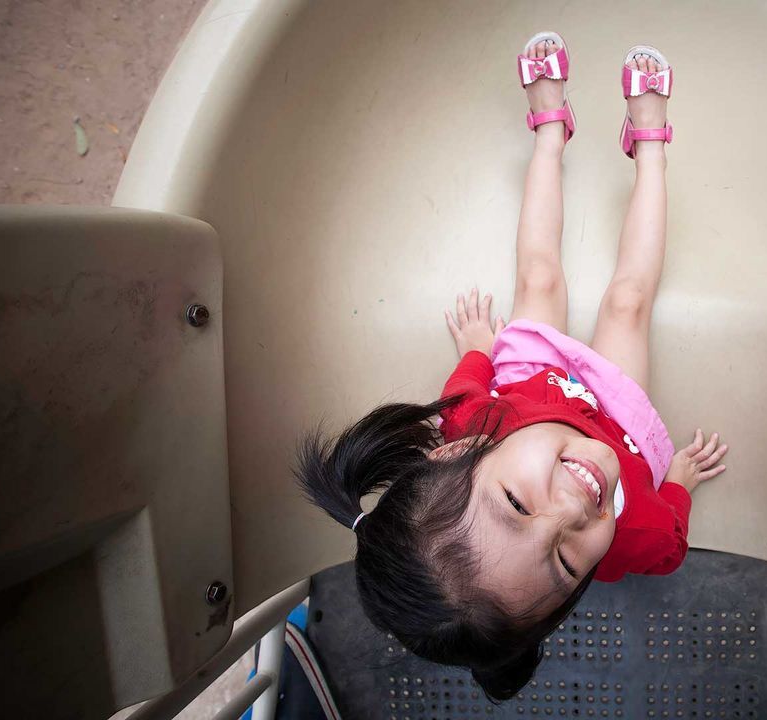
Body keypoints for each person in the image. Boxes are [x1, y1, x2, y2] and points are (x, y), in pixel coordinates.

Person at [297, 32, 727, 700]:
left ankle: (550, 132)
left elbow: (466, 384)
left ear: (454, 451)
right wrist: (678, 480)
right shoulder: (632, 531)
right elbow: (669, 539)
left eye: (517, 503)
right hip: (614, 417)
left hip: (533, 380)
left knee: (538, 274)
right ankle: (651, 151)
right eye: (562, 561)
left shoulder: (471, 416)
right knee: (627, 301)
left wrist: (476, 343)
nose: (572, 512)